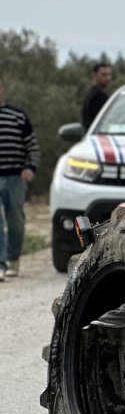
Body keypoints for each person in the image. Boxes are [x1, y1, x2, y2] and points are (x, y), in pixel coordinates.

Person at [0, 78, 39, 282]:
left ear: (3, 89)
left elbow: (32, 146)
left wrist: (30, 167)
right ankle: (1, 264)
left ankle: (13, 258)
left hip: (15, 176)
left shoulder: (18, 117)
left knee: (15, 220)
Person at [82, 61, 113, 128]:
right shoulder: (98, 96)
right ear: (94, 75)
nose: (108, 78)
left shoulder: (90, 94)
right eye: (103, 75)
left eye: (109, 75)